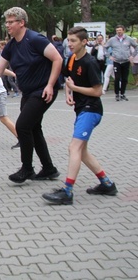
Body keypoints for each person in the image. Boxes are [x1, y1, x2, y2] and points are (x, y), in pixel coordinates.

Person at [0, 7, 63, 183]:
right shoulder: (10, 46)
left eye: (11, 22)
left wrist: (50, 85)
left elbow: (58, 59)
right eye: (6, 22)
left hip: (43, 91)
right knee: (34, 128)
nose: (7, 25)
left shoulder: (35, 39)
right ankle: (49, 168)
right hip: (28, 92)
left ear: (21, 23)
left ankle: (27, 169)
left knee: (23, 126)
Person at [42, 26, 117, 205]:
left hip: (91, 110)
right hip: (81, 109)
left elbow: (98, 91)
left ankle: (67, 192)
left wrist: (75, 89)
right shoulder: (71, 59)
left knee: (73, 148)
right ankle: (107, 184)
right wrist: (69, 92)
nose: (70, 44)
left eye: (74, 41)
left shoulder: (89, 63)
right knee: (82, 152)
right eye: (69, 40)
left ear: (84, 42)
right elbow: (69, 80)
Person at [103, 25, 137, 101]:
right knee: (117, 78)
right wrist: (109, 56)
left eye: (120, 30)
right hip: (117, 61)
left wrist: (132, 56)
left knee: (124, 78)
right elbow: (105, 47)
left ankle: (122, 93)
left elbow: (136, 46)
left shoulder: (128, 39)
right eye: (117, 30)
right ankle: (117, 94)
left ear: (123, 30)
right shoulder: (112, 40)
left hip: (126, 61)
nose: (118, 32)